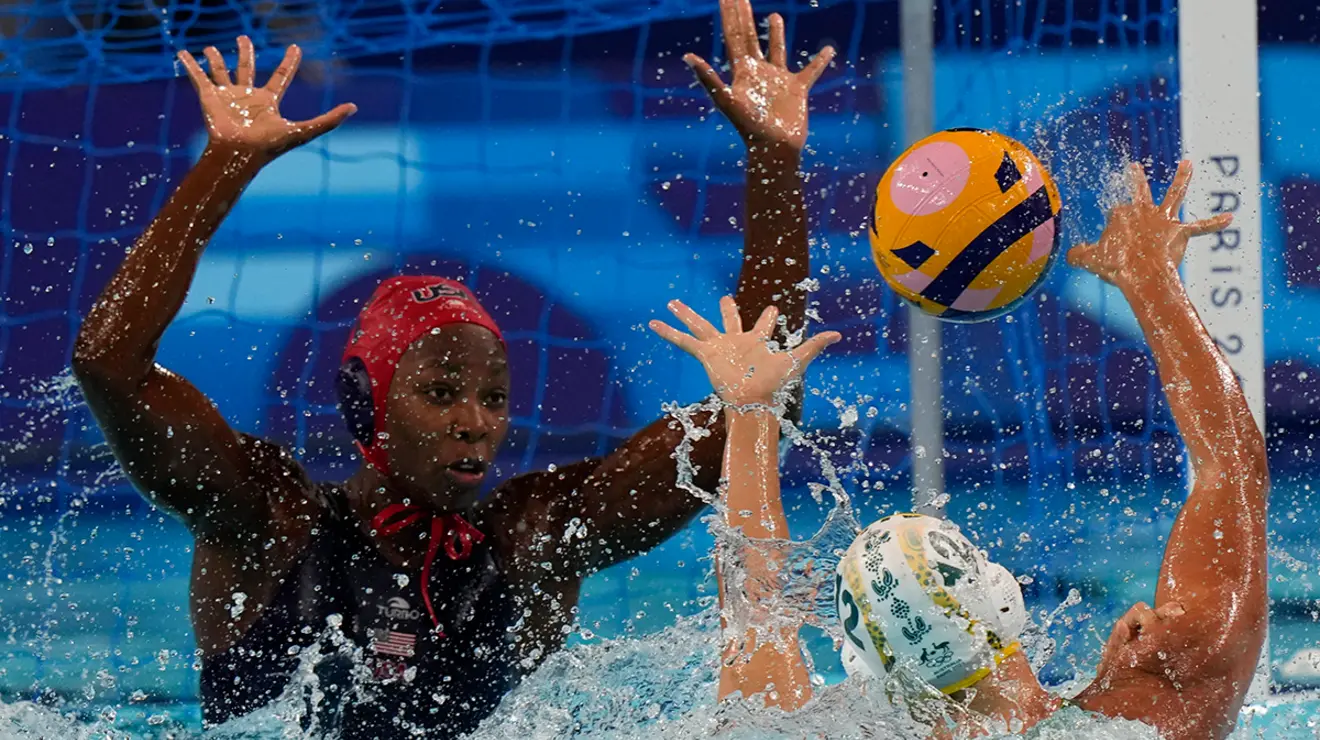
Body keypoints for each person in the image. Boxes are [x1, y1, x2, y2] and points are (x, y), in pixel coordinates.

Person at [70, 4, 835, 736]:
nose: (475, 420)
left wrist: (773, 159)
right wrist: (226, 166)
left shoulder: (532, 539)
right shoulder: (270, 524)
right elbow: (107, 363)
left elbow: (760, 403)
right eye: (440, 393)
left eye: (494, 397)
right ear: (365, 399)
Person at [649, 160, 1268, 740]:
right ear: (1003, 597)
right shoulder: (1156, 709)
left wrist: (750, 412)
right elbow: (1232, 468)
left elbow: (754, 607)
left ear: (866, 669)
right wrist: (1152, 281)